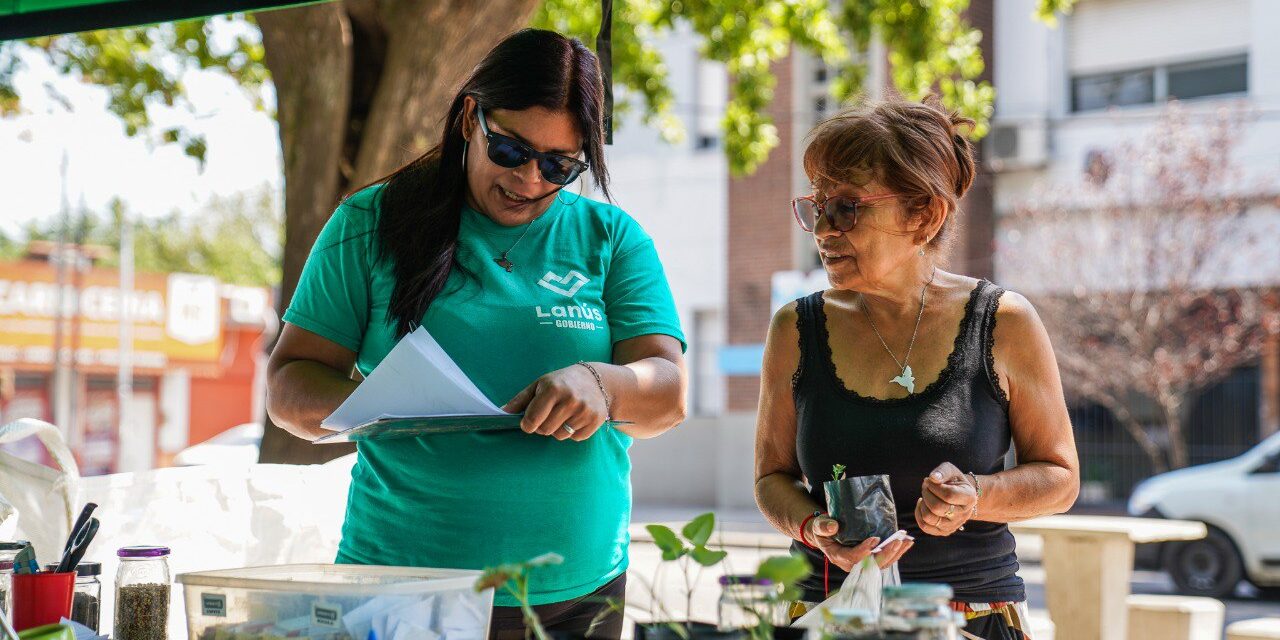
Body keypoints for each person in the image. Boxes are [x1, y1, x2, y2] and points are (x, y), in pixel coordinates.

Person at [265, 28, 688, 640]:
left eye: (559, 165)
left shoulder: (612, 239)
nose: (531, 180)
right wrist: (375, 406)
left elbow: (668, 392)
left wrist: (604, 383)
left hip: (576, 597)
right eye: (512, 151)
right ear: (470, 118)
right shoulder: (368, 224)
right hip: (404, 586)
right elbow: (289, 383)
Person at [753, 98, 1080, 639]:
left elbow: (1061, 479)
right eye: (817, 207)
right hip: (827, 616)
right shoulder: (795, 328)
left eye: (847, 209)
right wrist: (816, 529)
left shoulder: (1004, 322)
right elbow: (771, 479)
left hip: (970, 616)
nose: (824, 230)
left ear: (924, 216)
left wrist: (977, 495)